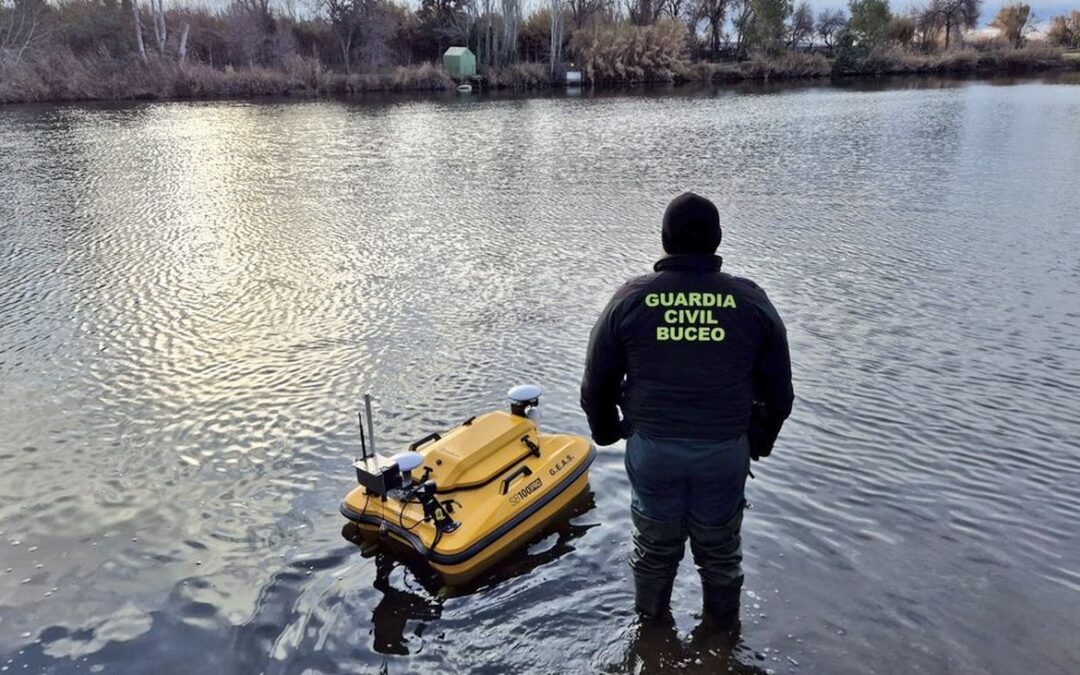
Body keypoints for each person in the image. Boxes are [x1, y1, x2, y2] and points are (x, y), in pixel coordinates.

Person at [580, 192, 794, 623]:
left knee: (655, 552)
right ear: (718, 239)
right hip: (724, 449)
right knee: (720, 556)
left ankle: (651, 637)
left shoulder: (631, 299)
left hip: (653, 449)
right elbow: (780, 394)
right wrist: (759, 442)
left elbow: (596, 384)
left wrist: (607, 432)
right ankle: (721, 642)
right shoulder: (749, 301)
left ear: (664, 240)